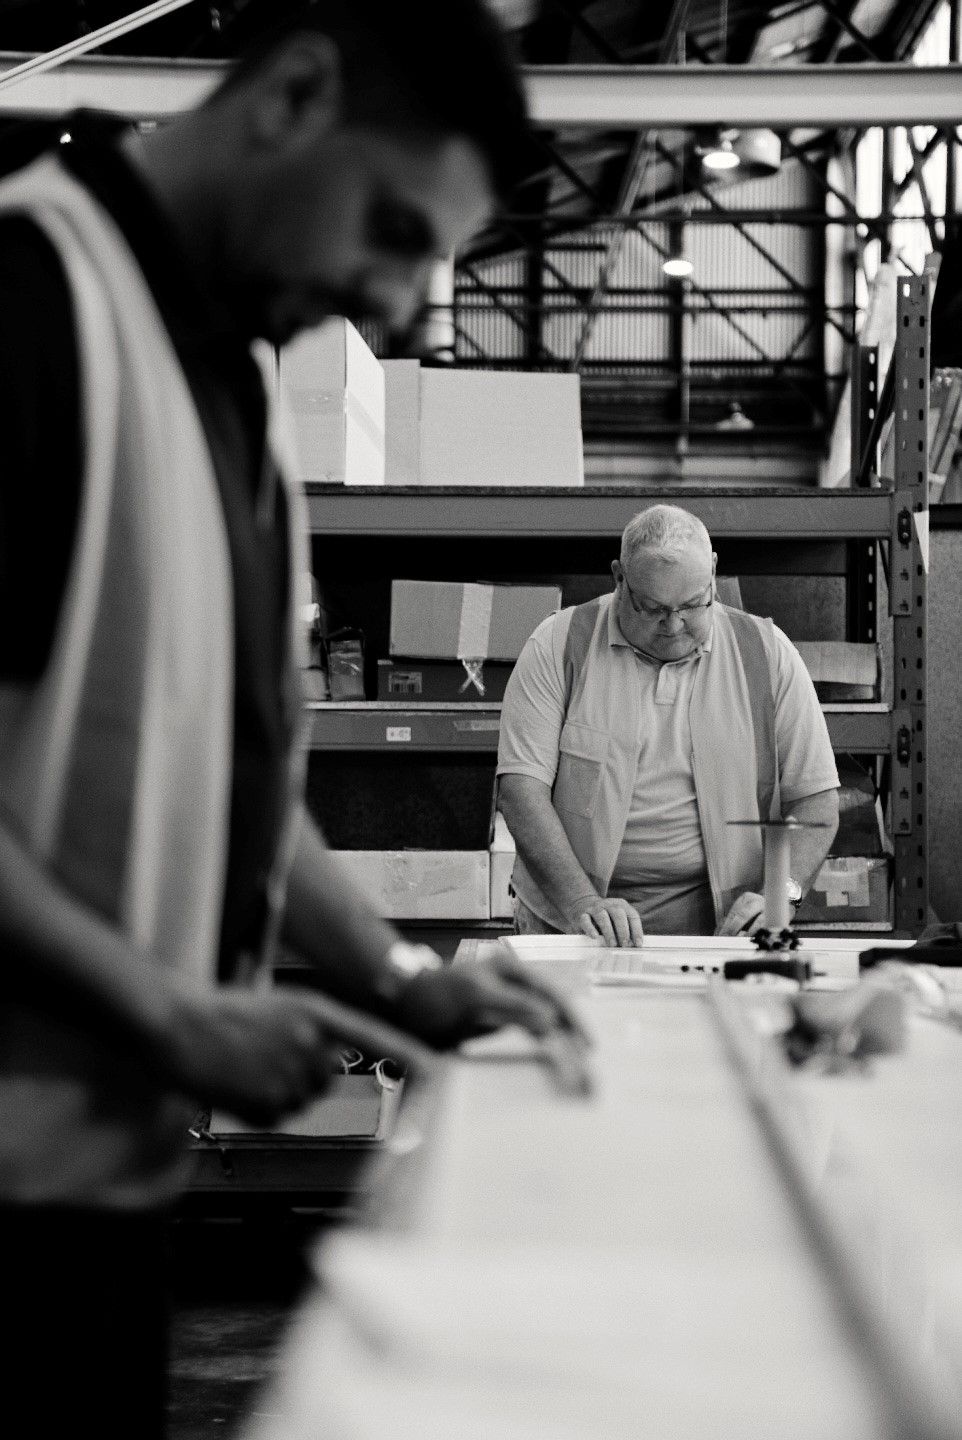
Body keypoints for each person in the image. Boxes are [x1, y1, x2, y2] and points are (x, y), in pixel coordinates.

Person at [0, 3, 578, 1434]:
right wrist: (169, 1010)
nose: (401, 308)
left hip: (97, 1187)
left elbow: (237, 785)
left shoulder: (235, 384)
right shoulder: (27, 307)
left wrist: (401, 976)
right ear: (294, 95)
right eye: (393, 229)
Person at [497, 504, 840, 945]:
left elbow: (816, 801)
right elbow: (521, 793)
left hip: (723, 932)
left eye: (694, 604)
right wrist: (584, 903)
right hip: (572, 925)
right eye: (653, 608)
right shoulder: (558, 645)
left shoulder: (767, 653)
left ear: (713, 572)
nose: (674, 625)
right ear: (619, 578)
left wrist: (780, 895)